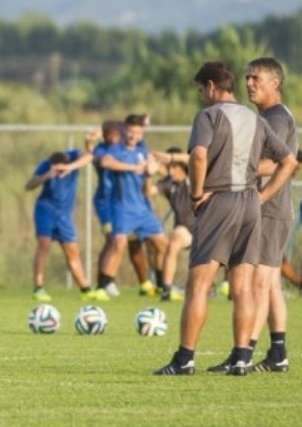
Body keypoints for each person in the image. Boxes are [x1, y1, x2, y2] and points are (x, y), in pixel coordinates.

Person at [154, 60, 297, 376]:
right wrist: (261, 196)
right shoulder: (255, 118)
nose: (202, 96)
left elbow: (199, 155)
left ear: (209, 86)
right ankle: (242, 357)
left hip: (221, 199)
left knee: (199, 284)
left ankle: (185, 359)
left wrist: (196, 194)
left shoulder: (209, 115)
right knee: (243, 286)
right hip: (250, 203)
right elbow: (288, 160)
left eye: (201, 89)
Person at [211, 57, 298, 373]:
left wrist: (230, 172)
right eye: (246, 77)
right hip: (271, 208)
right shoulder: (272, 115)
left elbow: (273, 164)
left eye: (255, 78)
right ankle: (278, 354)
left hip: (269, 209)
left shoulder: (274, 118)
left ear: (275, 83)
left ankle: (242, 355)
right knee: (271, 283)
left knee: (259, 284)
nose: (248, 83)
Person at [94, 116, 168, 300]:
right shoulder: (116, 149)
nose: (134, 135)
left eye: (138, 132)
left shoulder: (143, 151)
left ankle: (161, 285)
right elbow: (105, 162)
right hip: (122, 208)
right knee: (118, 244)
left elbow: (163, 171)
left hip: (143, 209)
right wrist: (132, 167)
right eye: (131, 131)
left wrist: (154, 169)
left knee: (162, 244)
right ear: (124, 131)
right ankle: (102, 286)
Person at [26, 147, 100, 301]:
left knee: (71, 251)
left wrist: (68, 167)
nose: (60, 172)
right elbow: (29, 185)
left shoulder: (73, 159)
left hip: (64, 214)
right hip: (45, 210)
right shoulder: (46, 165)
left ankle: (85, 289)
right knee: (43, 246)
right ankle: (38, 288)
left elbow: (89, 157)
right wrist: (46, 176)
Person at [88, 121, 152, 297]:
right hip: (107, 204)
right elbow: (96, 159)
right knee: (113, 241)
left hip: (128, 204)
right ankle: (104, 283)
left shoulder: (132, 148)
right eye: (109, 135)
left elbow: (143, 151)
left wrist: (143, 123)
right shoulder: (103, 150)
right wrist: (89, 144)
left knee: (135, 242)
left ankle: (145, 283)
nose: (114, 138)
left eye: (117, 135)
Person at [148, 147, 196, 301]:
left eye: (174, 167)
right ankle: (165, 288)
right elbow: (150, 191)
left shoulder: (195, 177)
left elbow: (193, 158)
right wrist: (148, 173)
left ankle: (216, 287)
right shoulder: (170, 183)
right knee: (159, 241)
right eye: (169, 167)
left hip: (204, 229)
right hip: (185, 231)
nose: (171, 171)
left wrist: (169, 157)